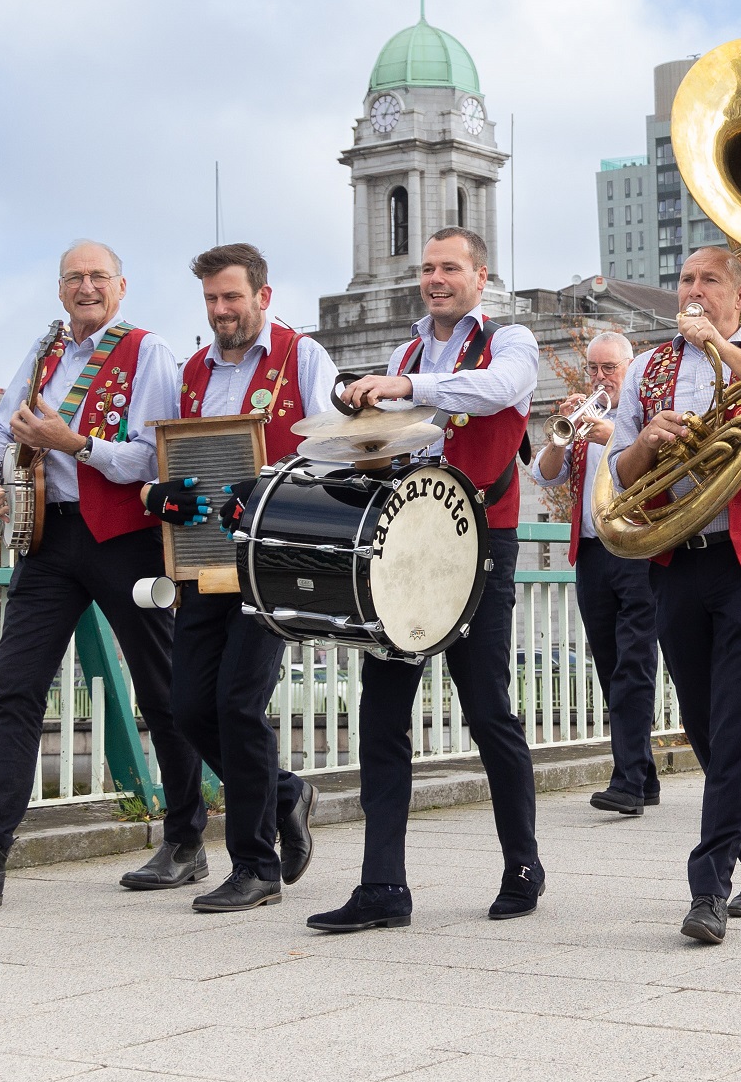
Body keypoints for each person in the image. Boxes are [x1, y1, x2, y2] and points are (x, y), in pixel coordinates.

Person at [0, 241, 201, 907]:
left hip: (124, 536)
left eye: (98, 277)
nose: (86, 287)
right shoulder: (44, 355)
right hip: (47, 535)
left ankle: (186, 838)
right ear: (59, 289)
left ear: (121, 287)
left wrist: (80, 447)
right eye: (74, 278)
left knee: (164, 691)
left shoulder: (148, 353)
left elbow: (156, 457)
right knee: (13, 689)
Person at [310, 228, 545, 932]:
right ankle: (383, 886)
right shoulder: (405, 350)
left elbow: (499, 391)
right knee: (381, 712)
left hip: (480, 544)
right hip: (409, 542)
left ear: (480, 277)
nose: (436, 279)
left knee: (487, 710)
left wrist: (407, 387)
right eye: (428, 269)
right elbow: (393, 440)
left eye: (450, 268)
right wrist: (362, 419)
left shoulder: (512, 342)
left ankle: (523, 864)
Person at [609, 245, 741, 944]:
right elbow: (621, 462)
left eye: (709, 282)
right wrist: (653, 444)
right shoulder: (649, 367)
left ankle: (709, 887)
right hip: (679, 553)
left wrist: (721, 351)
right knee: (704, 725)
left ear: (739, 297)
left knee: (734, 725)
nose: (693, 292)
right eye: (686, 281)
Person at [139, 244, 333, 912]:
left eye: (232, 298)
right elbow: (154, 456)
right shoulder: (189, 370)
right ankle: (284, 793)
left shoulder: (301, 357)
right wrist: (155, 496)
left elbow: (334, 451)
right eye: (211, 301)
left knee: (238, 706)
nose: (222, 311)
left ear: (264, 296)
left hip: (271, 559)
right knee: (188, 708)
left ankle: (256, 868)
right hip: (201, 563)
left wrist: (271, 483)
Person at [529, 330, 661, 816]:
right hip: (591, 553)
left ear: (631, 369)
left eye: (610, 368)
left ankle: (627, 781)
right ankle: (643, 775)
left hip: (638, 550)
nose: (600, 378)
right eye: (593, 368)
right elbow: (544, 475)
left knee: (633, 663)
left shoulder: (646, 419)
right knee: (610, 665)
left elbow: (663, 472)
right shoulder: (586, 419)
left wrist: (616, 439)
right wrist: (563, 432)